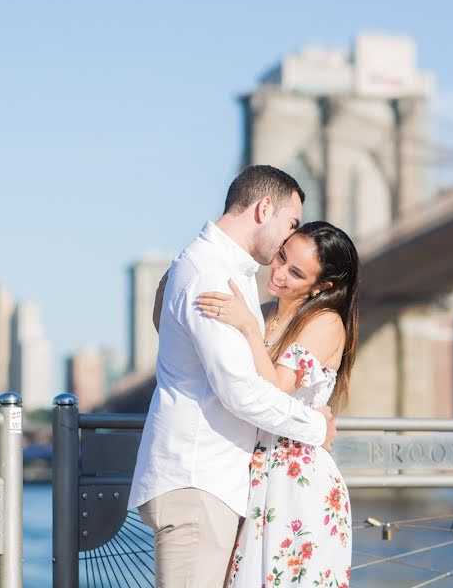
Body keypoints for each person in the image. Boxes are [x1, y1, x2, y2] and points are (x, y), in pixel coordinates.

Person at [129, 165, 337, 588]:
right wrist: (318, 425)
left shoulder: (215, 268)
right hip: (197, 481)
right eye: (291, 224)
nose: (290, 239)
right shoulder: (210, 274)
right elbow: (239, 390)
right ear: (264, 209)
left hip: (212, 482)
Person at [196, 221, 358, 587]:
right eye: (282, 257)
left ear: (323, 286)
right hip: (253, 471)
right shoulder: (264, 310)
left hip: (296, 480)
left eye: (296, 273)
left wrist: (249, 329)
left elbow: (276, 389)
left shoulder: (325, 321)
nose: (280, 273)